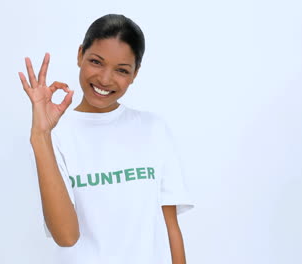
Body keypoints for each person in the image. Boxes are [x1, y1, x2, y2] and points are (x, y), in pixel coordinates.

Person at [18, 14, 195, 264]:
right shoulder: (54, 135)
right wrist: (40, 135)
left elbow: (171, 229)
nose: (105, 79)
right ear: (80, 55)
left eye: (122, 70)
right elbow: (66, 236)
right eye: (96, 62)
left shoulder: (153, 129)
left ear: (135, 74)